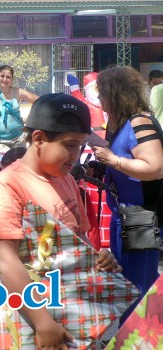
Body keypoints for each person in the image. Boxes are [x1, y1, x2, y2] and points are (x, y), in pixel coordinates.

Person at [0, 93, 121, 349]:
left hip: (70, 311)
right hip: (29, 318)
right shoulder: (9, 185)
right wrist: (42, 322)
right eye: (69, 145)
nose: (76, 155)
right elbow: (3, 257)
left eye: (80, 145)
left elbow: (78, 241)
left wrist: (99, 258)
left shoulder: (65, 178)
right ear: (39, 138)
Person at [91, 66, 163, 321]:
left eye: (102, 94)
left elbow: (155, 168)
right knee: (129, 281)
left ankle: (136, 337)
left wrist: (113, 161)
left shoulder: (139, 121)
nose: (99, 100)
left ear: (116, 93)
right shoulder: (121, 122)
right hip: (125, 215)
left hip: (140, 215)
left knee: (136, 286)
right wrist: (102, 165)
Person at [0, 65, 39, 147]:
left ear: (12, 79)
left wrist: (30, 119)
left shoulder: (18, 92)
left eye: (8, 77)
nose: (5, 79)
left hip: (19, 139)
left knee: (18, 160)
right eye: (2, 76)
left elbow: (41, 101)